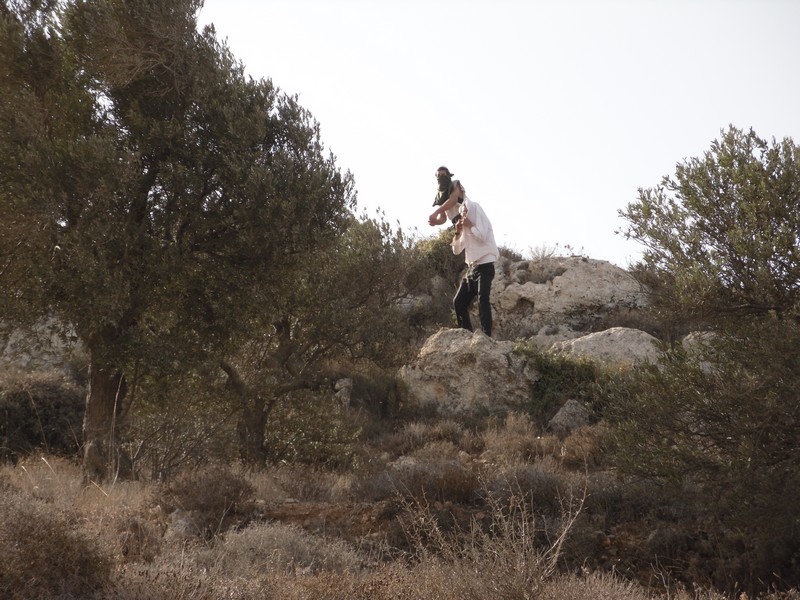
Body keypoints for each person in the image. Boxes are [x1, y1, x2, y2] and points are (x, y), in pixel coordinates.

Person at [451, 196, 499, 336]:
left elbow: (482, 236)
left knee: (482, 298)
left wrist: (470, 224)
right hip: (472, 268)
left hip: (485, 265)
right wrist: (458, 232)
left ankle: (486, 336)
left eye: (466, 211)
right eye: (462, 213)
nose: (464, 215)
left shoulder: (479, 222)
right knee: (458, 302)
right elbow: (456, 250)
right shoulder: (466, 230)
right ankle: (466, 335)